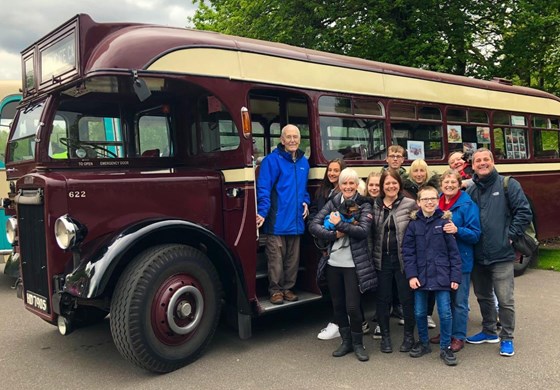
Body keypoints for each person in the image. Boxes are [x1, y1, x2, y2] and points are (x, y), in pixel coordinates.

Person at [465, 148, 533, 357]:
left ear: (492, 162)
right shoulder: (471, 191)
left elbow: (524, 212)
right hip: (478, 254)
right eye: (478, 161)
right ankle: (488, 331)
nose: (482, 163)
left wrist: (510, 236)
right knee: (483, 296)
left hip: (501, 254)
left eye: (486, 159)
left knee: (505, 299)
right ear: (473, 165)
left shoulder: (508, 184)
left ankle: (507, 338)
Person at [309, 168, 377, 362]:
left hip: (353, 264)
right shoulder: (333, 202)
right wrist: (334, 234)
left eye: (351, 183)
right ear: (339, 185)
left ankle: (358, 344)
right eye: (344, 183)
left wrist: (339, 224)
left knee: (353, 307)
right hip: (333, 262)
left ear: (357, 185)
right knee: (338, 305)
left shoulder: (364, 204)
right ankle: (346, 342)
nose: (347, 187)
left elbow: (363, 230)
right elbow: (314, 225)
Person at [402, 186, 462, 366]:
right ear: (418, 203)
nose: (429, 202)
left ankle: (446, 347)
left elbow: (454, 254)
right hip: (420, 276)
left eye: (433, 199)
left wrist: (455, 277)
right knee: (420, 312)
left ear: (438, 201)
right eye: (425, 199)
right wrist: (411, 275)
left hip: (442, 276)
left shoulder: (445, 223)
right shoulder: (413, 225)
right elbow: (408, 252)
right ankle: (423, 343)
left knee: (444, 313)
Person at [256, 124, 310, 305]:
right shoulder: (271, 161)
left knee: (292, 260)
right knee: (276, 259)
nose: (293, 140)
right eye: (289, 137)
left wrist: (306, 201)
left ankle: (288, 288)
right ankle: (275, 291)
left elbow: (304, 189)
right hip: (277, 220)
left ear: (299, 139)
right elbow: (263, 188)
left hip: (296, 220)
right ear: (282, 140)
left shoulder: (304, 162)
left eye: (296, 137)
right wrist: (262, 212)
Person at [429, 169, 481, 352]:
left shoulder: (467, 205)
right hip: (440, 262)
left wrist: (457, 230)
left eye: (453, 182)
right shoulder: (437, 203)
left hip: (461, 261)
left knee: (459, 301)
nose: (449, 185)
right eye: (446, 182)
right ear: (441, 185)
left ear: (460, 185)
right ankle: (446, 333)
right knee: (444, 301)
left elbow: (475, 235)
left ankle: (458, 336)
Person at [371, 168, 418, 354]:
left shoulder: (410, 204)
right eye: (387, 183)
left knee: (407, 299)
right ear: (382, 186)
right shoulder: (374, 205)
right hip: (381, 259)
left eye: (394, 183)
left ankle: (408, 337)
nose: (391, 186)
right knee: (383, 300)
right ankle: (385, 337)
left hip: (403, 260)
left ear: (399, 184)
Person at [311, 159, 346, 340]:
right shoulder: (323, 191)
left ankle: (338, 323)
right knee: (331, 285)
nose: (332, 174)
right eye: (330, 170)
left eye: (336, 171)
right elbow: (315, 213)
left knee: (342, 287)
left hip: (340, 246)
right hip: (326, 243)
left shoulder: (344, 194)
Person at [403, 159, 440, 329]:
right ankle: (414, 313)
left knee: (432, 278)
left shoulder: (434, 189)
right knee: (415, 278)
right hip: (414, 235)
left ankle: (427, 314)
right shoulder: (405, 189)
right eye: (415, 171)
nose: (419, 174)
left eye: (422, 171)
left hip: (433, 237)